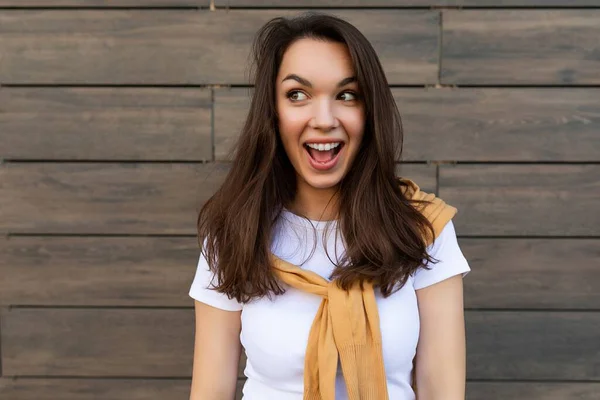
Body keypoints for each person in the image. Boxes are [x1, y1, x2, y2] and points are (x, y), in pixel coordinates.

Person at [188, 12, 470, 400]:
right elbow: (211, 392)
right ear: (272, 112)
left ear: (369, 112)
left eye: (346, 95)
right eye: (297, 95)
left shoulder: (424, 228)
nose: (323, 120)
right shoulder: (234, 230)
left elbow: (442, 391)